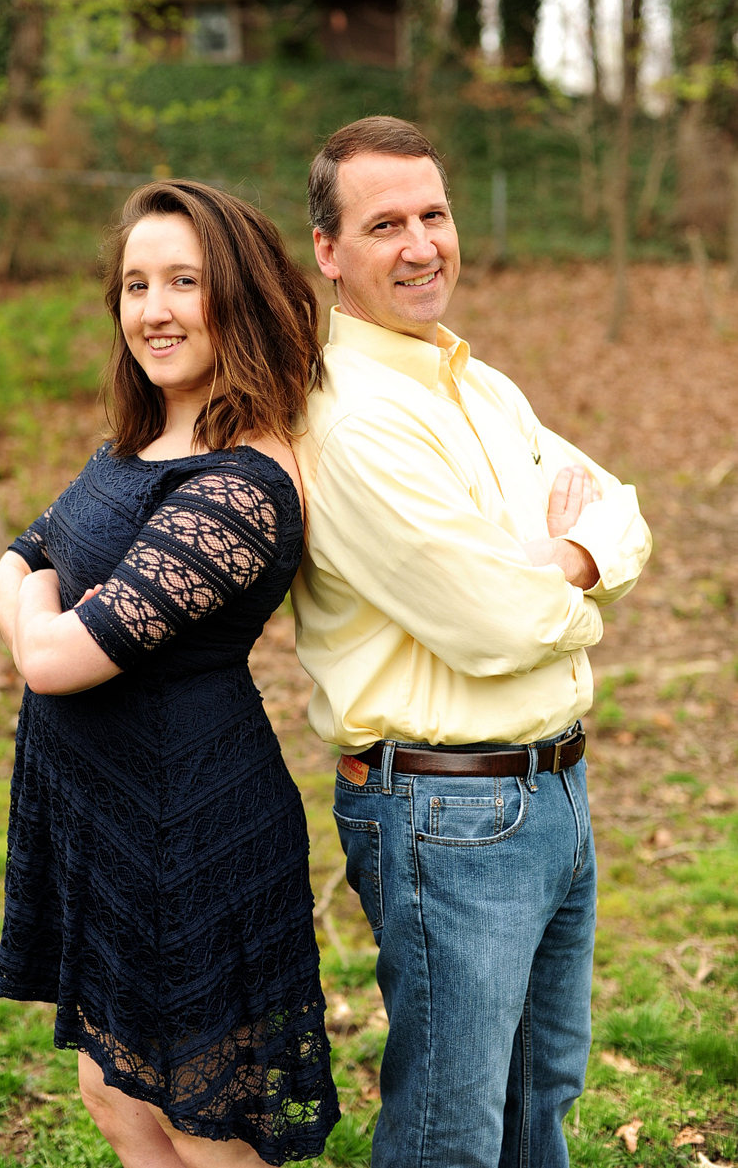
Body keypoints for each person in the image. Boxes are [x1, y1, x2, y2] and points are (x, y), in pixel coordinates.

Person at [290, 117, 652, 1168]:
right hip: (447, 815)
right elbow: (496, 626)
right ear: (328, 252)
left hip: (553, 793)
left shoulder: (477, 384)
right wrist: (572, 571)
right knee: (452, 1131)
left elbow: (621, 509)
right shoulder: (352, 416)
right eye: (384, 223)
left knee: (541, 1098)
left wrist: (564, 553)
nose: (420, 245)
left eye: (434, 215)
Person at [0, 180, 340, 1168]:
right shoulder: (140, 445)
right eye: (137, 283)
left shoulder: (239, 486)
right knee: (113, 1092)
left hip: (190, 826)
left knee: (205, 1123)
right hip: (105, 818)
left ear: (240, 295)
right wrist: (40, 596)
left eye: (183, 281)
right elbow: (7, 566)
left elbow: (50, 651)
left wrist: (39, 605)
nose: (153, 309)